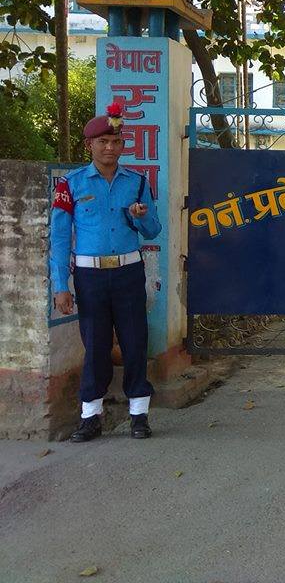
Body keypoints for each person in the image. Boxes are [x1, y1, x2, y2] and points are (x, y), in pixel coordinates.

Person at [50, 103, 161, 442]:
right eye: (102, 142)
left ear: (122, 144)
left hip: (128, 273)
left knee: (135, 341)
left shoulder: (137, 183)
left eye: (115, 141)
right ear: (89, 145)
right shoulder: (70, 185)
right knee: (96, 346)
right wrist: (60, 285)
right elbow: (59, 238)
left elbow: (153, 230)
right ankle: (90, 416)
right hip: (90, 277)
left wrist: (141, 216)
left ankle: (139, 414)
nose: (110, 148)